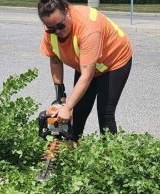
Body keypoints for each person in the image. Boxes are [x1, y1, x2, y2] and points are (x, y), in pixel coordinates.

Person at [38, 0, 133, 141]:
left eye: (60, 25)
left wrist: (67, 107)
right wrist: (60, 96)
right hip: (85, 62)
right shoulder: (51, 30)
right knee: (79, 110)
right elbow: (55, 59)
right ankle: (72, 150)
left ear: (67, 11)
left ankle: (111, 157)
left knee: (105, 113)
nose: (57, 31)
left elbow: (87, 76)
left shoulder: (88, 28)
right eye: (51, 28)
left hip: (114, 61)